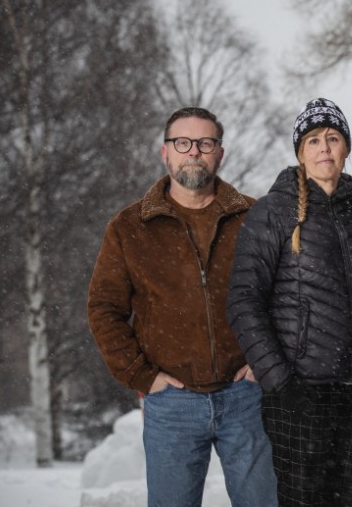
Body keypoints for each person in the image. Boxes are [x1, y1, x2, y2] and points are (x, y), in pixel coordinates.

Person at [87, 107, 277, 507]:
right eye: (183, 143)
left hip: (246, 396)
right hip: (170, 403)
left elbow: (285, 295)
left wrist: (264, 360)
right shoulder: (130, 227)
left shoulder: (253, 216)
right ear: (165, 153)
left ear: (219, 153)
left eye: (205, 143)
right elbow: (104, 308)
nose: (194, 152)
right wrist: (141, 375)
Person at [227, 98, 352, 507]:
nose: (324, 148)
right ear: (300, 152)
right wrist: (280, 381)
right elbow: (244, 299)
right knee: (302, 499)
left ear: (346, 149)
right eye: (314, 140)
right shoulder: (274, 212)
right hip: (299, 394)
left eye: (333, 138)